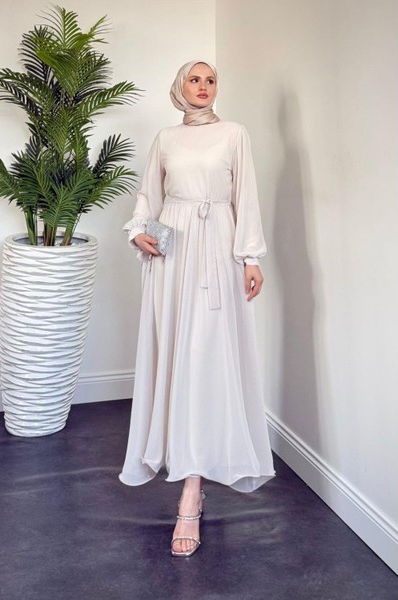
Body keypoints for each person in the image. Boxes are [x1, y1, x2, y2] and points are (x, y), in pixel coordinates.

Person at [119, 60, 276, 557]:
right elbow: (149, 196)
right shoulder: (165, 138)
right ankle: (188, 474)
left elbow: (245, 196)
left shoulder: (234, 134)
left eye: (211, 80)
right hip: (173, 254)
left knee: (208, 356)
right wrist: (137, 232)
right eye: (195, 79)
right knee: (177, 356)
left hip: (218, 251)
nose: (204, 87)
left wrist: (250, 257)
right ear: (180, 87)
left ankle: (192, 489)